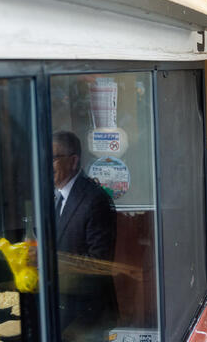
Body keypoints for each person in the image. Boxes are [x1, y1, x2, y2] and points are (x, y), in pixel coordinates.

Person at [52, 131, 118, 341]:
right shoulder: (53, 195)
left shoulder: (94, 199)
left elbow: (98, 265)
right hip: (63, 306)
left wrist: (51, 265)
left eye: (53, 158)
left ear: (73, 161)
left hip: (88, 313)